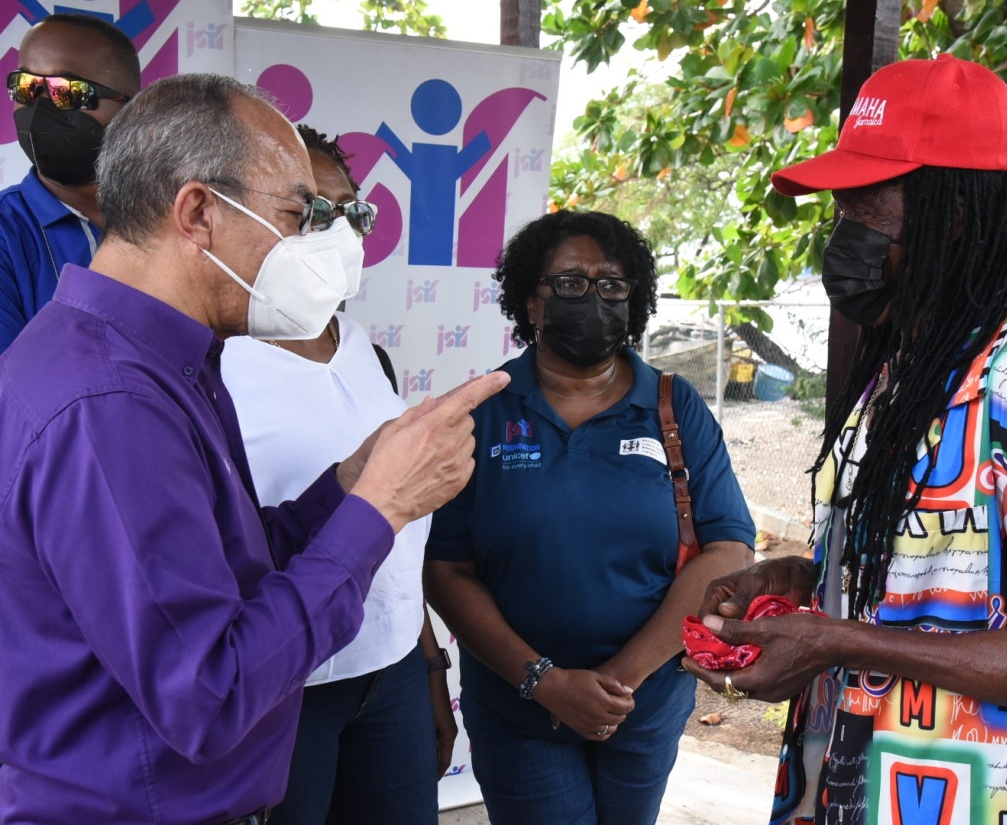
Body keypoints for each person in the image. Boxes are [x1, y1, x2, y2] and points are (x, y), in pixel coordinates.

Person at [0, 73, 507, 825]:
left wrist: (344, 487)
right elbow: (209, 692)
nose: (327, 247)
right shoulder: (111, 401)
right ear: (199, 211)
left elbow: (213, 571)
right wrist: (380, 507)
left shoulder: (156, 361)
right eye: (302, 216)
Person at [684, 55, 1007, 824]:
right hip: (860, 785)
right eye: (840, 211)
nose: (843, 241)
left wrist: (841, 640)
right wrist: (809, 581)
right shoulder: (907, 372)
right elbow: (952, 575)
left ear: (960, 213)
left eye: (867, 210)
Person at [424, 210, 756, 825]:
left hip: (645, 702)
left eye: (611, 284)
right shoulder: (483, 410)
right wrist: (545, 683)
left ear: (634, 300)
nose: (593, 297)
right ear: (531, 302)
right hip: (521, 706)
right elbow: (446, 568)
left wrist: (618, 683)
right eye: (570, 283)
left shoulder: (672, 405)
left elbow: (729, 549)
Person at [221, 124, 455, 825]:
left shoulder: (367, 355)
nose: (339, 231)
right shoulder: (213, 365)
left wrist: (430, 671)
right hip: (287, 688)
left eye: (352, 210)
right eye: (312, 212)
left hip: (389, 679)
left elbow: (393, 533)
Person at [0, 12, 140, 351]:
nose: (38, 106)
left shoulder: (178, 220)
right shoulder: (7, 231)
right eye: (26, 86)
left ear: (132, 109)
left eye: (67, 91)